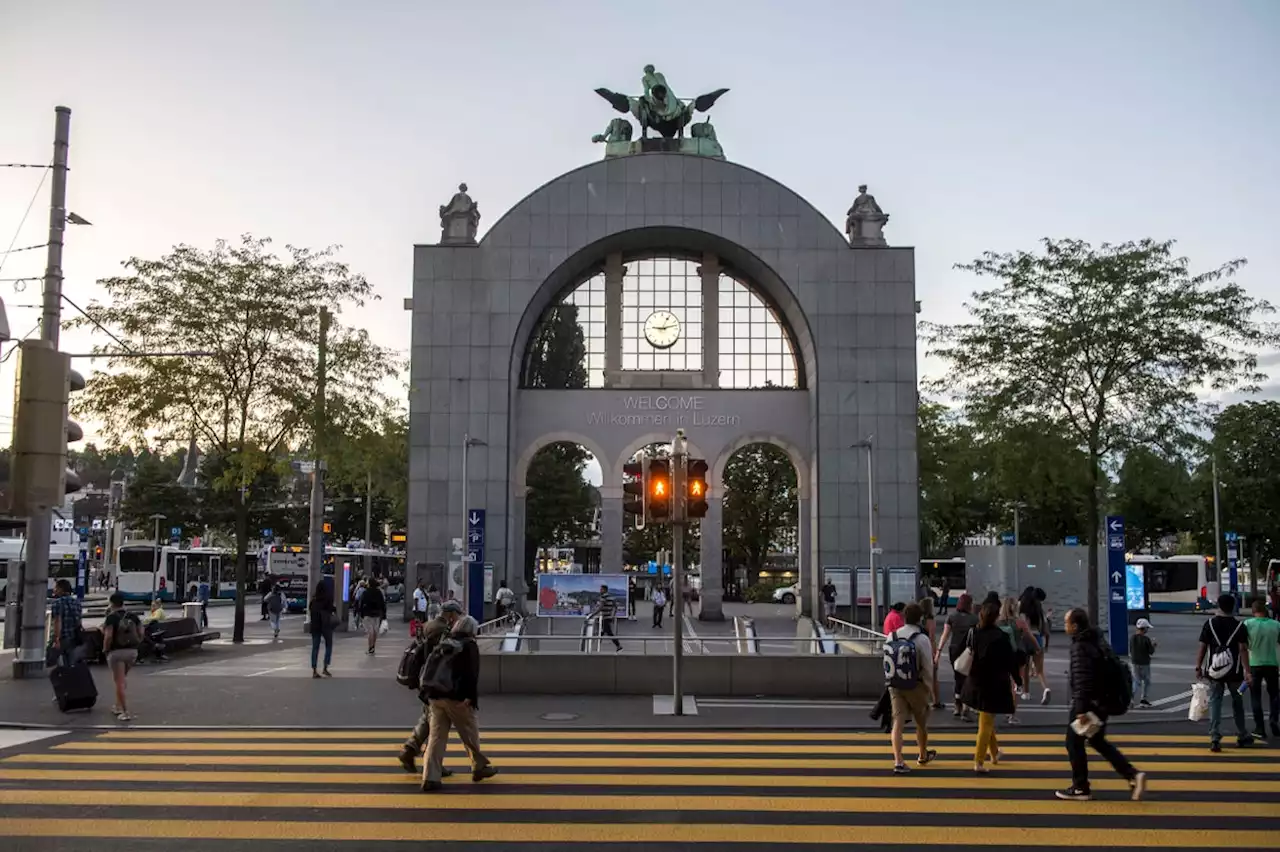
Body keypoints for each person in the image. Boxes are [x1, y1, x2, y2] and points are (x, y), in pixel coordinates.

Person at [1057, 608, 1146, 801]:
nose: (1065, 626)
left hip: (1089, 703)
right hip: (1103, 701)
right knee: (1097, 741)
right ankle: (1132, 775)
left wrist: (1080, 709)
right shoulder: (1097, 640)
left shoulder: (1080, 647)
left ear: (1075, 625)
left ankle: (1081, 787)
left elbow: (1082, 679)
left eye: (1066, 622)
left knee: (1072, 742)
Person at [421, 602, 499, 791]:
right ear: (472, 630)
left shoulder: (445, 643)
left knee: (436, 737)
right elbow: (471, 675)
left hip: (434, 696)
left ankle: (430, 778)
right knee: (469, 733)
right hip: (455, 697)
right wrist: (470, 698)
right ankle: (479, 767)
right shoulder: (469, 646)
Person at [399, 603, 454, 775]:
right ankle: (423, 757)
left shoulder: (428, 625)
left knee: (429, 717)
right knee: (437, 723)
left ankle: (413, 750)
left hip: (423, 675)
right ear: (451, 614)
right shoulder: (443, 630)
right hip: (435, 678)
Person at [962, 600, 1017, 774]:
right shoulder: (1001, 636)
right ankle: (978, 761)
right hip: (994, 683)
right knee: (986, 722)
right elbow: (1011, 662)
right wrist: (1018, 681)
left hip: (975, 681)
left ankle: (994, 753)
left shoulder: (974, 632)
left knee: (987, 718)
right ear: (995, 618)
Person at [1195, 593, 1254, 751]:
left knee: (1215, 701)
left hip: (1214, 671)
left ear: (1219, 606)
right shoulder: (1240, 626)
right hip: (1234, 672)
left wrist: (1198, 667)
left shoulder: (1209, 624)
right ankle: (1242, 734)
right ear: (1233, 607)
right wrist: (1247, 671)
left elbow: (1203, 647)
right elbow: (1243, 649)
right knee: (1238, 701)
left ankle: (1215, 737)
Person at [885, 602, 936, 774]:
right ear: (920, 618)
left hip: (895, 684)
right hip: (917, 686)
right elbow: (928, 666)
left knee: (897, 722)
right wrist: (929, 689)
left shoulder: (892, 636)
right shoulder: (922, 639)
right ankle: (922, 754)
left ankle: (898, 760)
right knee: (921, 723)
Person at [935, 593, 978, 720]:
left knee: (958, 678)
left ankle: (957, 706)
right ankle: (966, 708)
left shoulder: (952, 617)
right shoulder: (974, 619)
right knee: (968, 679)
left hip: (954, 650)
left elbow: (945, 634)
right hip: (968, 651)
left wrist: (938, 651)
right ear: (970, 605)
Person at [102, 593, 143, 721]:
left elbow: (108, 636)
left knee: (119, 682)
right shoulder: (133, 616)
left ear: (112, 603)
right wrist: (136, 643)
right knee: (122, 679)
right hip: (132, 652)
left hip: (117, 653)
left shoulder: (111, 618)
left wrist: (105, 649)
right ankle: (118, 706)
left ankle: (125, 711)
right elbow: (141, 632)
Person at [1245, 598, 1280, 740]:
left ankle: (1260, 727)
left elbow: (1243, 645)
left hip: (1254, 663)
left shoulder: (1247, 624)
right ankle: (1274, 722)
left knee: (1255, 697)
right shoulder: (1276, 625)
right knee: (1274, 696)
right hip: (1272, 663)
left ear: (1253, 611)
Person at [48, 579, 84, 668]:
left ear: (61, 589)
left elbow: (57, 621)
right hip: (74, 637)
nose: (54, 590)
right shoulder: (77, 602)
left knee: (51, 659)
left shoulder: (57, 603)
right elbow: (79, 621)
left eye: (56, 587)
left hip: (63, 637)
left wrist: (56, 639)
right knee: (71, 661)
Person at [919, 597, 943, 709]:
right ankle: (936, 700)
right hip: (928, 649)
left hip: (919, 648)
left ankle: (922, 700)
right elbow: (932, 638)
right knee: (933, 676)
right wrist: (935, 654)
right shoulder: (930, 620)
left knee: (921, 676)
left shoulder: (918, 619)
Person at [309, 581, 336, 679]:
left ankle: (314, 670)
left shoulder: (313, 601)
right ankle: (325, 667)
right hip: (325, 625)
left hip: (315, 626)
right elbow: (332, 610)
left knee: (315, 647)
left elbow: (310, 611)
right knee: (329, 645)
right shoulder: (327, 599)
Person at [586, 585, 622, 652]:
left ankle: (618, 645)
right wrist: (613, 615)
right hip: (608, 617)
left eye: (601, 589)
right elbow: (615, 606)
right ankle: (596, 644)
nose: (600, 590)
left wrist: (592, 615)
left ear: (605, 590)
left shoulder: (603, 597)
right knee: (603, 631)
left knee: (608, 632)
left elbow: (600, 608)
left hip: (604, 617)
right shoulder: (611, 597)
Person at [1129, 618, 1156, 708]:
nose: (1147, 630)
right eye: (1147, 628)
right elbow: (1151, 651)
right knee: (1146, 681)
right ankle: (1144, 699)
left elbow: (1131, 650)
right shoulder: (1146, 639)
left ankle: (1130, 699)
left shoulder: (1132, 638)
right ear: (1144, 628)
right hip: (1145, 663)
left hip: (1134, 662)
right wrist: (1153, 645)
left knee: (1136, 681)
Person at [359, 577, 387, 655]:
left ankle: (370, 648)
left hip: (367, 614)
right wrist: (384, 614)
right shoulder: (379, 592)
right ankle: (373, 647)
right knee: (375, 631)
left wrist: (361, 614)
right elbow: (382, 604)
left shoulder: (366, 592)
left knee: (370, 632)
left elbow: (361, 603)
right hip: (377, 614)